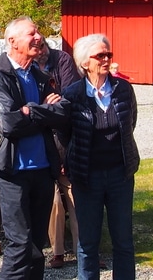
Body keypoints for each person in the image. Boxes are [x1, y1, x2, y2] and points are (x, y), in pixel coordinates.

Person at [0, 16, 63, 280]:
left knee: (37, 247)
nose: (38, 37)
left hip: (43, 170)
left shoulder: (41, 75)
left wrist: (30, 111)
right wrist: (42, 110)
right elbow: (7, 122)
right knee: (19, 246)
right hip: (13, 173)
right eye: (32, 33)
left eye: (38, 32)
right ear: (12, 41)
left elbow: (60, 113)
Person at [55, 33, 139, 279]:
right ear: (84, 63)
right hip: (87, 177)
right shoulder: (72, 95)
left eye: (108, 54)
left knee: (123, 239)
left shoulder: (123, 89)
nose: (106, 59)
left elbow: (129, 123)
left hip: (120, 175)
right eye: (99, 55)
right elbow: (64, 133)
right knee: (88, 242)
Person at [35, 36, 81, 269]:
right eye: (36, 47)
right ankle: (58, 252)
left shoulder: (61, 59)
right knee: (54, 202)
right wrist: (46, 105)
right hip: (44, 141)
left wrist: (51, 104)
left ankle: (84, 250)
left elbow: (70, 95)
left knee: (75, 198)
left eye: (42, 45)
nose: (39, 50)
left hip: (66, 136)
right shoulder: (28, 67)